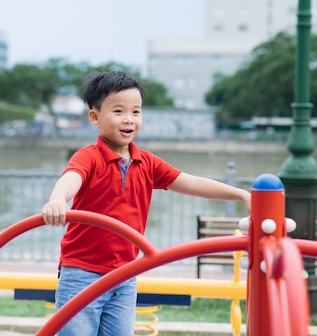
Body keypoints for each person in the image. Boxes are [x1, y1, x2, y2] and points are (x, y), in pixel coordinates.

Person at [41, 70, 251, 336]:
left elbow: (192, 182)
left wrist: (241, 194)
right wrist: (58, 199)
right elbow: (72, 178)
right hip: (83, 272)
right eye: (118, 111)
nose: (128, 119)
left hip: (125, 275)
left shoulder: (148, 163)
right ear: (95, 117)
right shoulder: (89, 157)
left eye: (136, 112)